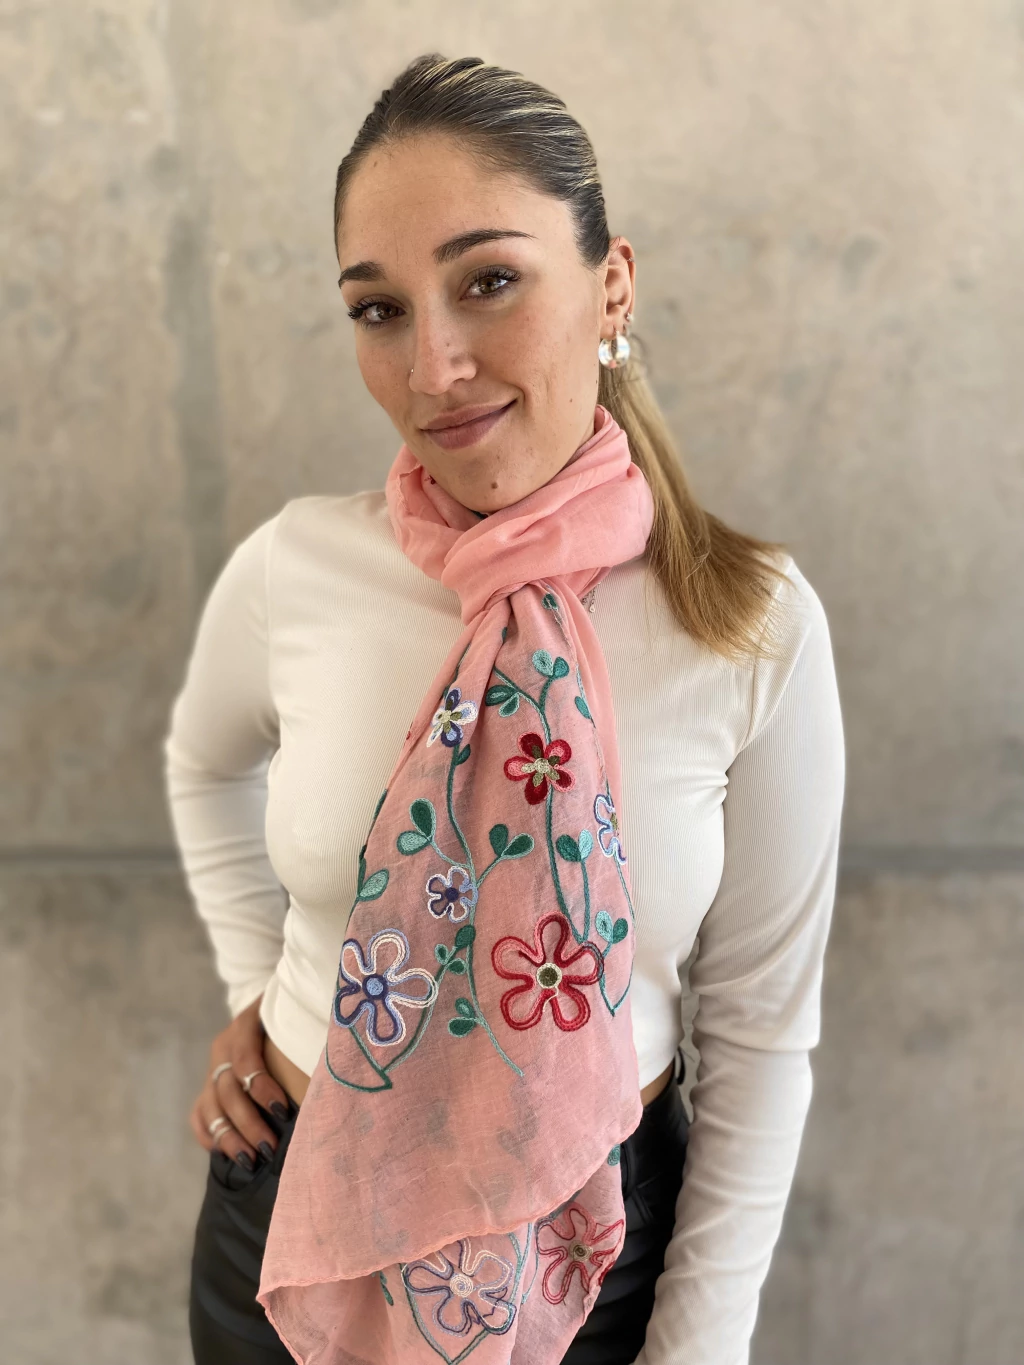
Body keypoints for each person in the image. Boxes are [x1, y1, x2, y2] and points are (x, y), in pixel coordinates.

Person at [165, 54, 845, 1365]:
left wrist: (693, 1351)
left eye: (488, 281)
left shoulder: (747, 622)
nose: (435, 365)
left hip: (596, 1261)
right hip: (294, 1228)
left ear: (612, 286)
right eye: (379, 309)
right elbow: (203, 768)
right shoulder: (295, 572)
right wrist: (258, 982)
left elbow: (761, 1034)